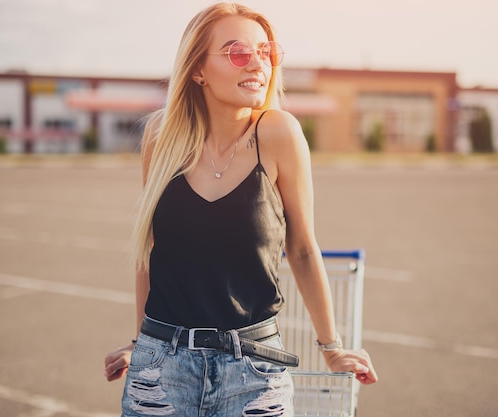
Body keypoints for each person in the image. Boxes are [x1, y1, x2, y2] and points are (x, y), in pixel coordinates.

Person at [104, 3, 377, 415]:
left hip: (253, 370)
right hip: (161, 368)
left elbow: (301, 248)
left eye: (264, 52)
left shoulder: (279, 133)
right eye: (237, 53)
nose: (256, 64)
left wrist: (332, 348)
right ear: (198, 70)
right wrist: (141, 341)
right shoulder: (161, 137)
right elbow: (152, 248)